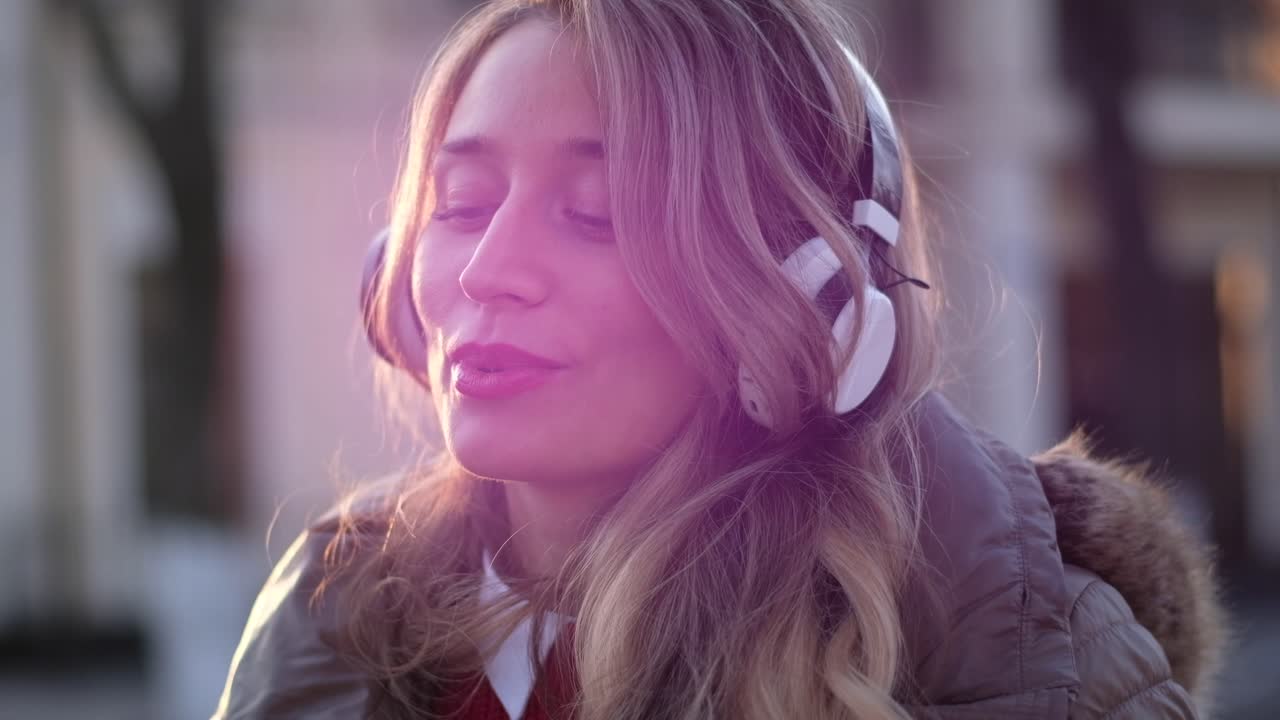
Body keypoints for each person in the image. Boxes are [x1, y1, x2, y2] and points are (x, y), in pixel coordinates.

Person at [214, 1, 1227, 718]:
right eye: (461, 205)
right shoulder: (327, 617)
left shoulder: (1036, 664)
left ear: (799, 297)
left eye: (595, 216)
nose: (486, 272)